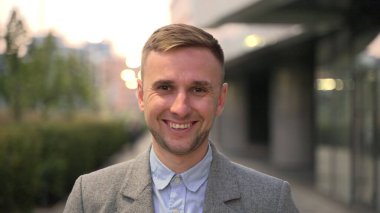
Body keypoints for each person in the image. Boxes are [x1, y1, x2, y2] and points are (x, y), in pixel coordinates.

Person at [63, 23, 299, 213]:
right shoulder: (90, 198)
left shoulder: (272, 201)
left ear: (220, 99)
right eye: (165, 87)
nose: (180, 108)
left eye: (198, 90)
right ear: (141, 95)